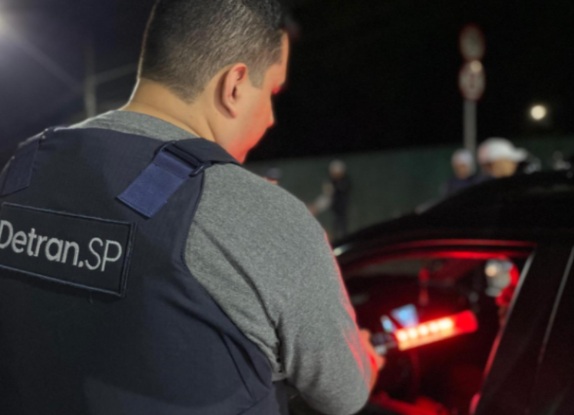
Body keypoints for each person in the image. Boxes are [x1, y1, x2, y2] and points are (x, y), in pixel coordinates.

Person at [0, 1, 383, 415]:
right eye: (272, 92)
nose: (272, 117)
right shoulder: (266, 218)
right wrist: (365, 356)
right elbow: (344, 395)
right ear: (235, 85)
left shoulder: (24, 168)